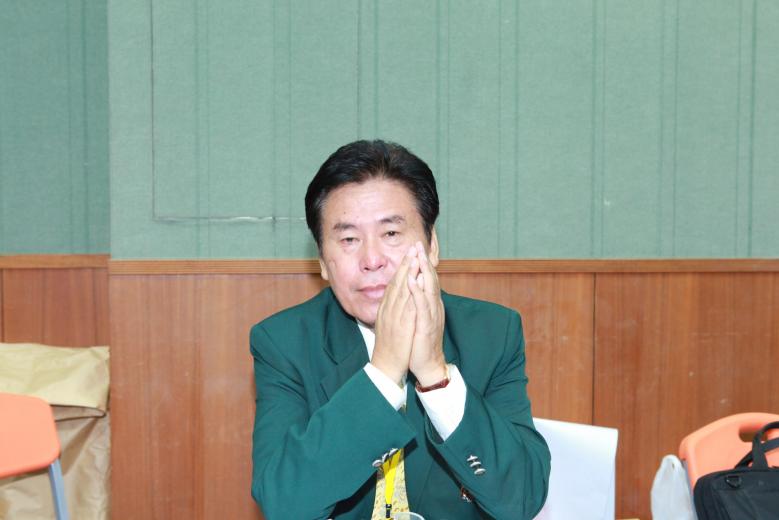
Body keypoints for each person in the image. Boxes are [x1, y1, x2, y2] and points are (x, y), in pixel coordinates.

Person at [250, 140, 550, 520]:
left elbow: (521, 499)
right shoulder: (284, 343)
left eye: (391, 234)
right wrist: (384, 373)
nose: (372, 260)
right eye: (348, 239)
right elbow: (284, 504)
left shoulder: (492, 334)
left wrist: (436, 375)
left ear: (432, 245)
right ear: (322, 261)